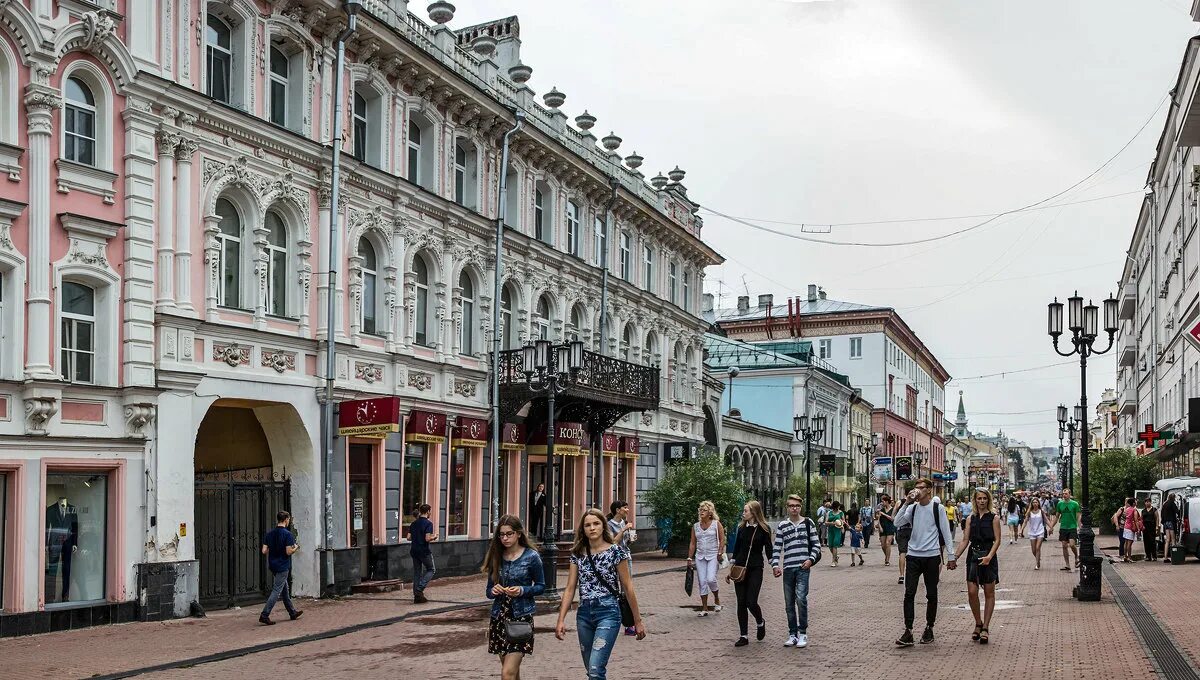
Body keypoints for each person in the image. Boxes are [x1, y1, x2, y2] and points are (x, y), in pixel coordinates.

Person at [555, 509, 646, 680]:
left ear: (603, 526)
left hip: (608, 612)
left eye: (596, 523)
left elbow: (627, 586)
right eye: (587, 525)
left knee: (596, 669)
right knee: (591, 670)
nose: (592, 528)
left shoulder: (616, 552)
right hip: (584, 614)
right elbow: (570, 588)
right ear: (583, 529)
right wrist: (560, 620)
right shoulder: (578, 553)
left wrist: (637, 621)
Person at [893, 478, 956, 647]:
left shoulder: (938, 508)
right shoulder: (912, 508)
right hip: (913, 556)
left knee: (931, 594)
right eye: (916, 488)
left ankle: (929, 627)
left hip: (932, 556)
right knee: (909, 593)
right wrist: (906, 503)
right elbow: (897, 522)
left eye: (921, 488)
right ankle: (908, 630)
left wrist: (951, 556)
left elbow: (946, 532)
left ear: (929, 490)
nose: (918, 490)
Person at [484, 514, 545, 679]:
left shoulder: (531, 557)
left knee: (507, 673)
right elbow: (488, 591)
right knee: (511, 671)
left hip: (521, 618)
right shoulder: (496, 555)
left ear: (519, 533)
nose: (505, 538)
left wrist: (522, 590)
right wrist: (494, 590)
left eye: (509, 533)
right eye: (501, 534)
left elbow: (541, 586)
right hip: (499, 618)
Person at [771, 494, 821, 648]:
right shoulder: (782, 526)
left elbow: (816, 545)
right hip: (788, 568)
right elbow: (777, 547)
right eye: (791, 506)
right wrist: (775, 565)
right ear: (787, 507)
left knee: (801, 599)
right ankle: (792, 634)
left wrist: (810, 560)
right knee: (789, 603)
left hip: (802, 567)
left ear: (800, 507)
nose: (794, 508)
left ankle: (803, 633)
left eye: (797, 506)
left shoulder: (808, 523)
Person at [954, 489, 1001, 645]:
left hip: (988, 555)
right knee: (972, 592)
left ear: (988, 500)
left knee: (989, 592)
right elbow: (965, 540)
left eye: (984, 498)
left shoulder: (994, 518)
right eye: (979, 498)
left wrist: (990, 556)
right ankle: (978, 622)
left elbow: (997, 540)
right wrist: (954, 557)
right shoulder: (970, 518)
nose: (982, 501)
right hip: (973, 556)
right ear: (975, 500)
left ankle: (986, 627)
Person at [727, 500, 773, 647]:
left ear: (754, 512)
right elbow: (737, 548)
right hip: (740, 568)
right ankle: (744, 635)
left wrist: (774, 564)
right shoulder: (741, 528)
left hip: (755, 568)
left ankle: (760, 622)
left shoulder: (764, 529)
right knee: (741, 602)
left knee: (751, 601)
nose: (743, 513)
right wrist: (732, 567)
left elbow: (769, 549)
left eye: (746, 510)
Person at [259, 510, 303, 625]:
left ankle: (292, 612)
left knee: (284, 590)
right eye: (289, 519)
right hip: (282, 566)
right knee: (277, 590)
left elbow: (264, 551)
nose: (289, 521)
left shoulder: (269, 534)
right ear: (286, 519)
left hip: (273, 565)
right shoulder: (288, 534)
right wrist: (296, 547)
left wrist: (273, 549)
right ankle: (264, 615)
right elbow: (288, 552)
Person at [687, 500, 725, 616]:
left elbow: (722, 539)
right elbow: (693, 543)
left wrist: (720, 552)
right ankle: (705, 608)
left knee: (710, 579)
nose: (701, 512)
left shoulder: (716, 524)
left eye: (704, 510)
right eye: (700, 510)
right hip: (700, 556)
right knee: (702, 581)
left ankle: (717, 598)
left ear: (710, 513)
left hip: (713, 555)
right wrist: (689, 558)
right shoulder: (695, 526)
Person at [606, 500, 637, 635]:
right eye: (625, 508)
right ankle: (614, 620)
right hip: (613, 560)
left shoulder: (624, 523)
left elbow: (624, 543)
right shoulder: (609, 525)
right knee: (614, 590)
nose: (627, 510)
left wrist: (631, 538)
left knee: (627, 589)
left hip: (626, 557)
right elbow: (612, 542)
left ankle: (629, 624)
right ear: (618, 510)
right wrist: (624, 529)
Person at [407, 504, 438, 603]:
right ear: (428, 511)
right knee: (431, 569)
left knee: (417, 572)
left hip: (414, 550)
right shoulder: (428, 524)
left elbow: (408, 538)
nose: (430, 513)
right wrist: (434, 537)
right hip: (424, 551)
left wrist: (417, 536)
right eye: (430, 511)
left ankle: (417, 596)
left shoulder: (414, 523)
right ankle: (419, 588)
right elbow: (427, 538)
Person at [1055, 489, 1081, 571]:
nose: (1064, 495)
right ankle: (1067, 564)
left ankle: (1076, 557)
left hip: (1072, 527)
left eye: (1066, 494)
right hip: (1063, 527)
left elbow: (1078, 516)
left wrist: (1079, 526)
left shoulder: (1075, 504)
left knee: (1072, 544)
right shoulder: (1060, 504)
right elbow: (1057, 516)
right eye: (1063, 494)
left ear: (1070, 494)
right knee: (1064, 545)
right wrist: (1051, 527)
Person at [1021, 495, 1047, 570]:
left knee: (1038, 547)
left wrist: (1051, 527)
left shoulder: (1041, 511)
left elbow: (1046, 520)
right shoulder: (1029, 512)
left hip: (1040, 531)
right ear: (1031, 504)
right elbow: (1025, 521)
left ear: (1038, 503)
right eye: (1033, 502)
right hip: (1032, 532)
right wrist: (1021, 530)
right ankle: (1038, 558)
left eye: (1036, 502)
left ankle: (1037, 563)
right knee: (1033, 550)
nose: (1035, 504)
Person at [894, 497, 911, 585]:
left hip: (901, 529)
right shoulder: (915, 504)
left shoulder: (899, 503)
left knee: (902, 552)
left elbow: (893, 516)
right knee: (912, 552)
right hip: (912, 529)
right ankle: (911, 574)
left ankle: (901, 575)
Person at [877, 495, 896, 568]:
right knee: (883, 545)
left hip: (890, 527)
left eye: (883, 501)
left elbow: (892, 519)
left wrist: (884, 514)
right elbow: (878, 519)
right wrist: (880, 527)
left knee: (888, 543)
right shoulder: (881, 510)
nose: (882, 503)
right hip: (883, 527)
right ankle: (887, 555)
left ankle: (887, 560)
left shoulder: (893, 509)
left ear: (887, 501)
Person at [825, 501, 845, 567]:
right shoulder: (829, 513)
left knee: (835, 545)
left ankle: (833, 561)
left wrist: (841, 524)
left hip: (837, 530)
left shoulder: (841, 513)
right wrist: (833, 523)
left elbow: (843, 521)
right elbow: (826, 522)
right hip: (831, 530)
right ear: (836, 506)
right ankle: (836, 556)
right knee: (830, 546)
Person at [1141, 497, 1160, 562]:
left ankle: (1154, 556)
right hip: (1145, 527)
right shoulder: (1143, 511)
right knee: (1146, 542)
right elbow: (1141, 519)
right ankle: (1148, 556)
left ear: (1150, 502)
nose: (1147, 503)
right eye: (1146, 502)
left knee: (1152, 542)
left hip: (1152, 527)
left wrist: (1157, 526)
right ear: (1145, 503)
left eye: (1148, 502)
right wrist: (1141, 526)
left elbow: (1157, 518)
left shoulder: (1154, 510)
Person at [1162, 493, 1179, 560]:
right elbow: (1177, 511)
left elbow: (1162, 514)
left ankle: (1165, 557)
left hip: (1166, 523)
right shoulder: (1172, 503)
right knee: (1173, 539)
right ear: (1173, 498)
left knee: (1167, 540)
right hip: (1171, 522)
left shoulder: (1165, 504)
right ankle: (1174, 557)